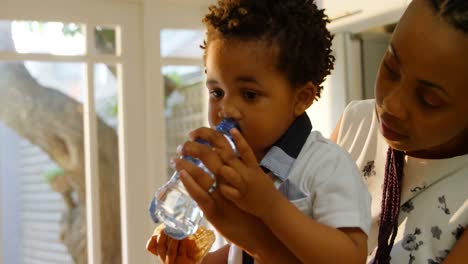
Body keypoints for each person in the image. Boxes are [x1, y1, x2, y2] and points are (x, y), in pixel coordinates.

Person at [150, 0, 372, 263]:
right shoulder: (240, 167)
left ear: (301, 97)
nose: (227, 109)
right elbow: (245, 251)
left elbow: (350, 256)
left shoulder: (326, 166)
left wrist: (269, 205)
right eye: (216, 92)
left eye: (250, 94)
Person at [329, 0, 468, 263]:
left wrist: (255, 236)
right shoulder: (357, 124)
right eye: (391, 69)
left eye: (429, 99)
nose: (392, 104)